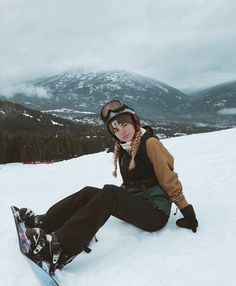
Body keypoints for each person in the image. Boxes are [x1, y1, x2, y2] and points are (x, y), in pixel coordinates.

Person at [19, 100, 198, 274]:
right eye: (116, 129)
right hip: (139, 203)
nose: (122, 131)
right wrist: (116, 198)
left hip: (155, 213)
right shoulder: (124, 148)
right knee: (91, 191)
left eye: (125, 125)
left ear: (135, 121)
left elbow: (169, 179)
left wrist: (187, 211)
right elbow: (131, 184)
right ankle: (45, 223)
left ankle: (59, 249)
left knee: (110, 193)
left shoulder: (150, 144)